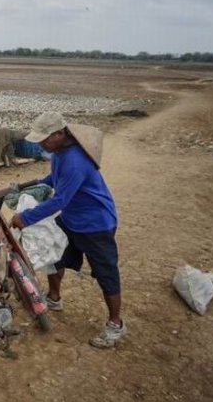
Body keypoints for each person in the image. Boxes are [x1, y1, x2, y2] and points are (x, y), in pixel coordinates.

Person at [10, 112, 126, 348]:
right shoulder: (59, 153)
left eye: (45, 139)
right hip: (72, 219)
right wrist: (35, 186)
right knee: (55, 255)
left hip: (96, 224)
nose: (42, 144)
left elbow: (60, 200)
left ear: (60, 133)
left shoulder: (75, 160)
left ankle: (116, 324)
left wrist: (26, 217)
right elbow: (54, 178)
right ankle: (54, 298)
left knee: (106, 273)